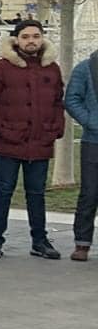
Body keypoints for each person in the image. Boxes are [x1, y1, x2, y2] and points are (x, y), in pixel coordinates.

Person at [0, 18, 67, 259]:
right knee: (3, 192)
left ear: (42, 38)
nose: (31, 41)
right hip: (8, 141)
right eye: (26, 37)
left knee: (37, 193)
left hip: (40, 141)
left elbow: (58, 101)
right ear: (16, 40)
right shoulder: (1, 67)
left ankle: (40, 241)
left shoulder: (51, 68)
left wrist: (55, 129)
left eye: (36, 36)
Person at [69, 46, 98, 261]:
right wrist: (91, 122)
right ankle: (82, 243)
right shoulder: (85, 68)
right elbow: (71, 99)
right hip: (93, 142)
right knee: (89, 193)